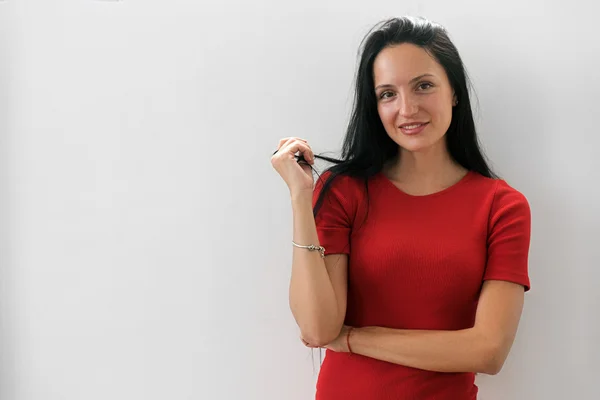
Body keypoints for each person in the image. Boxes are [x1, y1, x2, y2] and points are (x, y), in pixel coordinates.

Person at [270, 16, 531, 400]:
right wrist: (300, 197)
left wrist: (357, 338)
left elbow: (488, 351)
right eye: (387, 94)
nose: (407, 109)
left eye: (423, 86)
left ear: (454, 92)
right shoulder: (344, 192)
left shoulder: (502, 207)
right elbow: (318, 329)